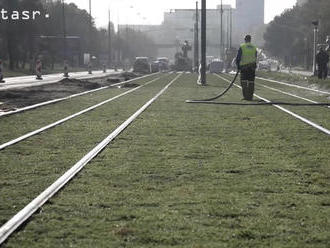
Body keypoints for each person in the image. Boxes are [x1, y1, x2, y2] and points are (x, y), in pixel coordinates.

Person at [236, 35, 257, 100]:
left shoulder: (242, 46)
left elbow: (238, 57)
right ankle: (250, 97)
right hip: (252, 67)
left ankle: (245, 96)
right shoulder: (254, 47)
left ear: (245, 40)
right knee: (251, 82)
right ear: (250, 40)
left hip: (244, 67)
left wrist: (238, 66)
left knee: (243, 82)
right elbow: (255, 57)